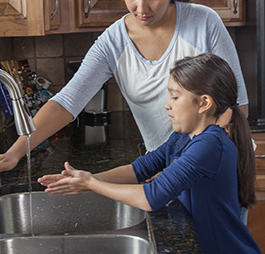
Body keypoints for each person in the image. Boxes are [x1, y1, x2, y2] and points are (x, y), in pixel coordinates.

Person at [0, 0, 248, 185]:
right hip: (161, 171)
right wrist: (14, 153)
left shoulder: (204, 22)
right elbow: (68, 102)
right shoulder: (113, 41)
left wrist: (182, 168)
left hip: (212, 172)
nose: (141, 8)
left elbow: (236, 108)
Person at [38, 54, 260, 254]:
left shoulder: (210, 145)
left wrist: (90, 184)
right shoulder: (185, 136)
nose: (167, 105)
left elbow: (150, 197)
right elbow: (140, 169)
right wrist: (87, 178)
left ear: (204, 103)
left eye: (175, 97)